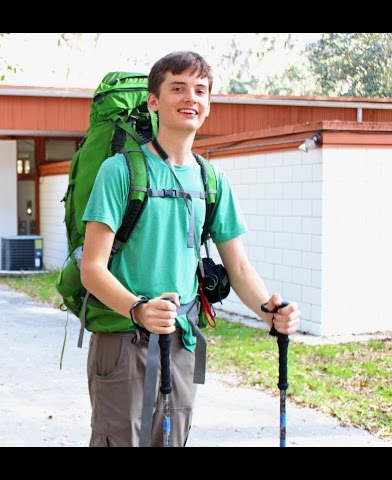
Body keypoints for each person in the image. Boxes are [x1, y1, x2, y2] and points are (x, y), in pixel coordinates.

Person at [80, 51, 301, 447]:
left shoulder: (211, 179)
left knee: (172, 442)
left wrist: (269, 310)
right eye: (178, 88)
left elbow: (239, 266)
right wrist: (139, 309)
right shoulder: (119, 171)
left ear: (209, 104)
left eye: (200, 90)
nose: (191, 98)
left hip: (180, 341)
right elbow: (92, 269)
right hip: (123, 339)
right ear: (153, 101)